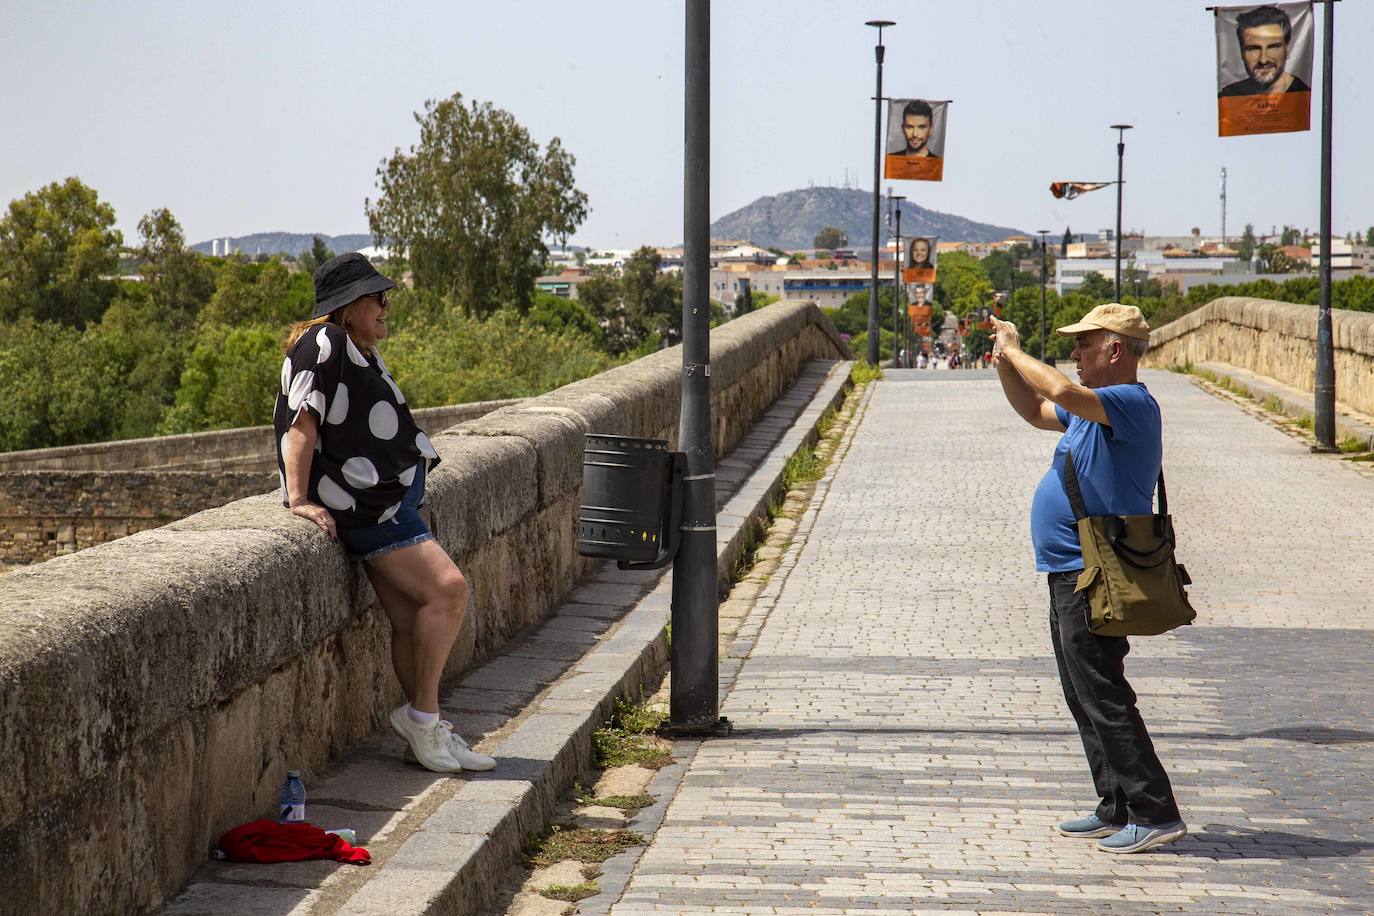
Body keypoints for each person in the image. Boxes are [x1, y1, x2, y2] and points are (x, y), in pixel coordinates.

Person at [273, 252, 496, 775]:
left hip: (382, 502)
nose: (386, 304)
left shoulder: (348, 344)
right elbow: (301, 426)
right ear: (349, 305)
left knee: (407, 621)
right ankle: (423, 718)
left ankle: (425, 729)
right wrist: (300, 499)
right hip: (372, 509)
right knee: (448, 590)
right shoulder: (324, 344)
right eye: (377, 296)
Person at [989, 303, 1186, 854]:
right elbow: (1034, 408)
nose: (1075, 353)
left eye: (1084, 343)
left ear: (1115, 350)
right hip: (1067, 570)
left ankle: (1155, 810)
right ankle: (1116, 804)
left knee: (1102, 691)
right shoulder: (1095, 411)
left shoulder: (1128, 403)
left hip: (1091, 573)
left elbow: (1059, 389)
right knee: (1082, 692)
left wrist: (1017, 352)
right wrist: (1006, 359)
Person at [1219, 5, 1311, 97]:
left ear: (1287, 49)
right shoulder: (1228, 97)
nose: (1263, 60)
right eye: (1254, 48)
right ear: (1242, 52)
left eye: (1273, 47)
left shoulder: (1306, 98)